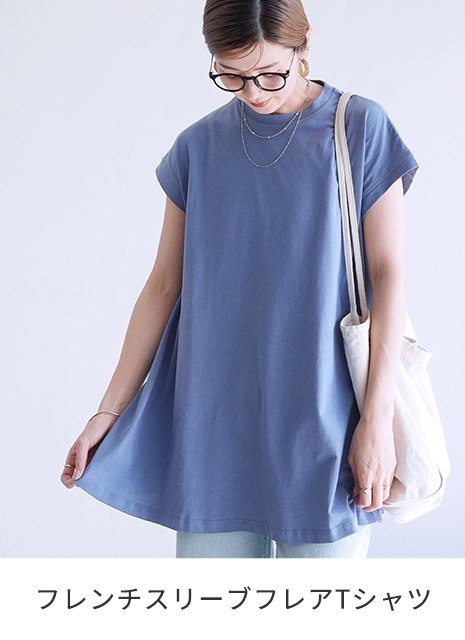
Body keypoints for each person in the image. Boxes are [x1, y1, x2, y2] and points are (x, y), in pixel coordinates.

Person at [61, 0, 419, 558]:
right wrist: (108, 410)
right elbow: (162, 285)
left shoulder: (359, 128)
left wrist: (375, 422)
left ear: (305, 45)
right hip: (212, 424)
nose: (252, 92)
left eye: (270, 73)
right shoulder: (198, 147)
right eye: (230, 75)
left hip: (326, 420)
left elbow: (388, 272)